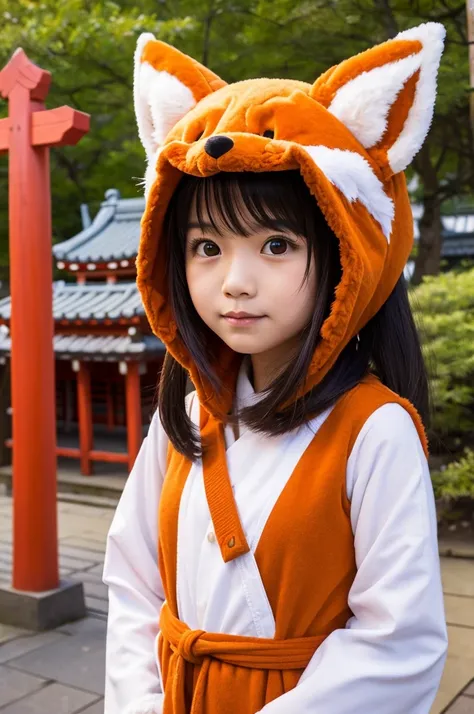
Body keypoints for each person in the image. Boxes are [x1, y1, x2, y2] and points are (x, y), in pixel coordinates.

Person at [103, 22, 449, 714]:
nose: (234, 281)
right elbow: (133, 580)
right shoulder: (188, 414)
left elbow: (398, 642)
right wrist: (140, 700)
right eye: (207, 245)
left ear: (348, 251)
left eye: (276, 244)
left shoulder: (374, 430)